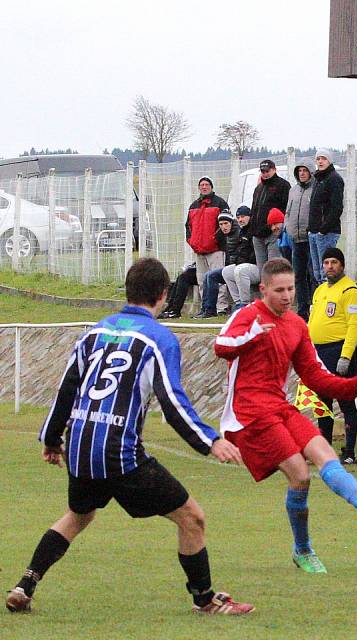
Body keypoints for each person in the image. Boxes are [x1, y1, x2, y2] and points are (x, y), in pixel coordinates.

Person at [6, 258, 254, 616]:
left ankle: (25, 584)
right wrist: (209, 440)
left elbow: (66, 389)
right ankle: (205, 599)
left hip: (80, 443)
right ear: (164, 294)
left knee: (78, 515)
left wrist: (50, 438)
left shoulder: (95, 332)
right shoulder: (159, 338)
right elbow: (171, 400)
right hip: (118, 451)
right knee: (192, 518)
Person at [214, 258, 357, 574]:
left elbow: (314, 374)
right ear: (263, 289)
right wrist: (251, 335)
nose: (287, 296)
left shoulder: (295, 325)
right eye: (279, 290)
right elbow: (221, 346)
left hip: (279, 406)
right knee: (300, 475)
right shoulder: (246, 316)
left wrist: (350, 385)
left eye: (291, 288)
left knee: (324, 453)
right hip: (249, 413)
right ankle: (302, 549)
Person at [308, 248, 357, 465]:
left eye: (334, 262)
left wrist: (346, 356)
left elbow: (354, 325)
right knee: (322, 403)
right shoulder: (320, 290)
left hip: (338, 351)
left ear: (342, 265)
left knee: (346, 402)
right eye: (326, 262)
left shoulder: (350, 290)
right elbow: (312, 322)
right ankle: (324, 450)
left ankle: (349, 452)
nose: (329, 266)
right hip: (319, 354)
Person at [185, 176, 229, 299]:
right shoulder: (193, 206)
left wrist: (215, 240)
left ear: (211, 187)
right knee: (202, 281)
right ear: (199, 188)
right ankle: (206, 307)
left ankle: (221, 307)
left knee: (219, 280)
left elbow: (226, 224)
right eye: (202, 185)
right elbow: (188, 226)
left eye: (207, 185)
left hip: (216, 250)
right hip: (199, 251)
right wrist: (192, 242)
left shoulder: (220, 203)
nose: (204, 187)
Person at [308, 148, 345, 284]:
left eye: (323, 158)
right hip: (314, 231)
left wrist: (323, 229)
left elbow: (337, 208)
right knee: (316, 271)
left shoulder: (334, 179)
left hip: (326, 233)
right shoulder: (318, 179)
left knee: (327, 272)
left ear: (329, 160)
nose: (320, 161)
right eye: (318, 159)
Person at [285, 159, 316, 320]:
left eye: (305, 170)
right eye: (300, 170)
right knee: (298, 275)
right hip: (296, 239)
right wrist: (288, 228)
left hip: (310, 238)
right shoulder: (293, 190)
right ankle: (302, 310)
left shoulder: (315, 188)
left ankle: (315, 307)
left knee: (313, 273)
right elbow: (288, 212)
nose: (302, 173)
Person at [195, 211, 241, 318]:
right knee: (208, 276)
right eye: (221, 224)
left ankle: (213, 309)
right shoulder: (222, 235)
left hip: (238, 267)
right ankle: (206, 309)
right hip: (230, 267)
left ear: (231, 222)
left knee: (211, 275)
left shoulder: (237, 233)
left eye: (226, 223)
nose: (223, 227)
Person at [250, 159, 291, 271]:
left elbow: (287, 209)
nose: (265, 174)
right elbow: (254, 209)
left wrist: (278, 227)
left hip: (273, 233)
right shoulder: (258, 188)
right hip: (257, 235)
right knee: (262, 271)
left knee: (273, 269)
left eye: (268, 171)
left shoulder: (283, 185)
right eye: (263, 171)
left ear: (274, 170)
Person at [225, 205, 260, 310]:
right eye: (238, 217)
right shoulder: (242, 231)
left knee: (240, 270)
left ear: (250, 216)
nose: (240, 220)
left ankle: (245, 304)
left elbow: (253, 253)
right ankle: (238, 302)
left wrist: (242, 261)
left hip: (257, 266)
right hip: (245, 265)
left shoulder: (255, 230)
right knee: (226, 271)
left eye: (243, 217)